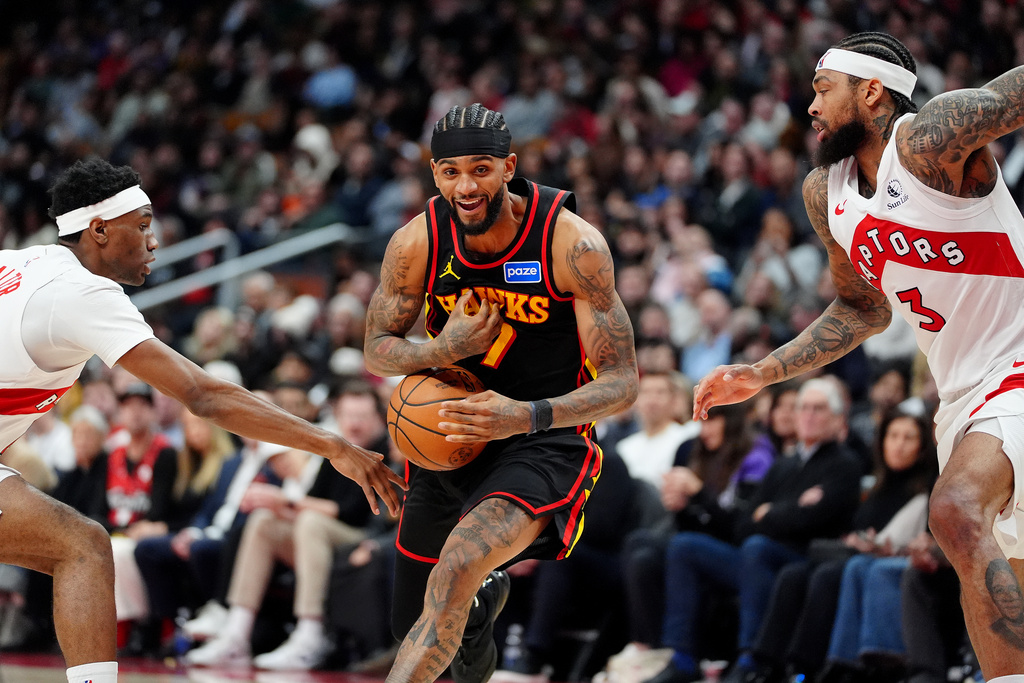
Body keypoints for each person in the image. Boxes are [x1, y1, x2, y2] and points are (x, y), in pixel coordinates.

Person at [691, 31, 1024, 682]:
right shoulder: (827, 192)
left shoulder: (927, 143)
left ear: (872, 91)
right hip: (961, 395)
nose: (808, 108)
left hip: (1017, 367)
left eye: (822, 89)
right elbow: (862, 308)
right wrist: (762, 371)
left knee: (954, 509)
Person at [0, 157, 405, 683]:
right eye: (142, 226)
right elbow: (203, 395)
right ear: (98, 230)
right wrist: (332, 444)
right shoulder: (84, 291)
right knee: (84, 548)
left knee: (81, 545)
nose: (154, 241)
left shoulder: (18, 262)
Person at [363, 103, 639, 683]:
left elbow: (622, 383)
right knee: (414, 624)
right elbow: (376, 347)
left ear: (509, 167)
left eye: (482, 169)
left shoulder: (572, 243)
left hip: (542, 438)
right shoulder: (416, 242)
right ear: (434, 174)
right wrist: (441, 351)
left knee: (455, 570)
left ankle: (476, 589)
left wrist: (526, 416)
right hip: (451, 434)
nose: (466, 185)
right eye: (451, 171)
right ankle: (483, 606)